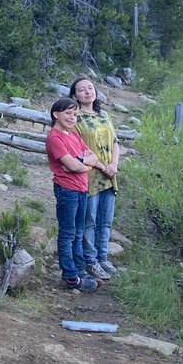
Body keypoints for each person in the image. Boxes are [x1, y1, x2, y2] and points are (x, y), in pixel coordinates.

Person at [46, 97, 99, 292]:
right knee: (68, 233)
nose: (72, 117)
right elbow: (74, 165)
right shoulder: (55, 137)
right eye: (68, 113)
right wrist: (82, 164)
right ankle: (70, 276)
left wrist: (80, 164)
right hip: (66, 189)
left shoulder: (73, 135)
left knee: (78, 233)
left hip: (81, 189)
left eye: (75, 114)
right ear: (56, 114)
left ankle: (79, 270)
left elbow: (92, 157)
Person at [70, 76, 120, 280]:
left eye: (90, 88)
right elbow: (80, 149)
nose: (88, 92)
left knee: (105, 220)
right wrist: (101, 165)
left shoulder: (104, 115)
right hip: (91, 175)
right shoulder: (76, 118)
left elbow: (115, 142)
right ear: (74, 95)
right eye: (82, 90)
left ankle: (103, 257)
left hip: (110, 175)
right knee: (89, 220)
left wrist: (114, 165)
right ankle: (91, 261)